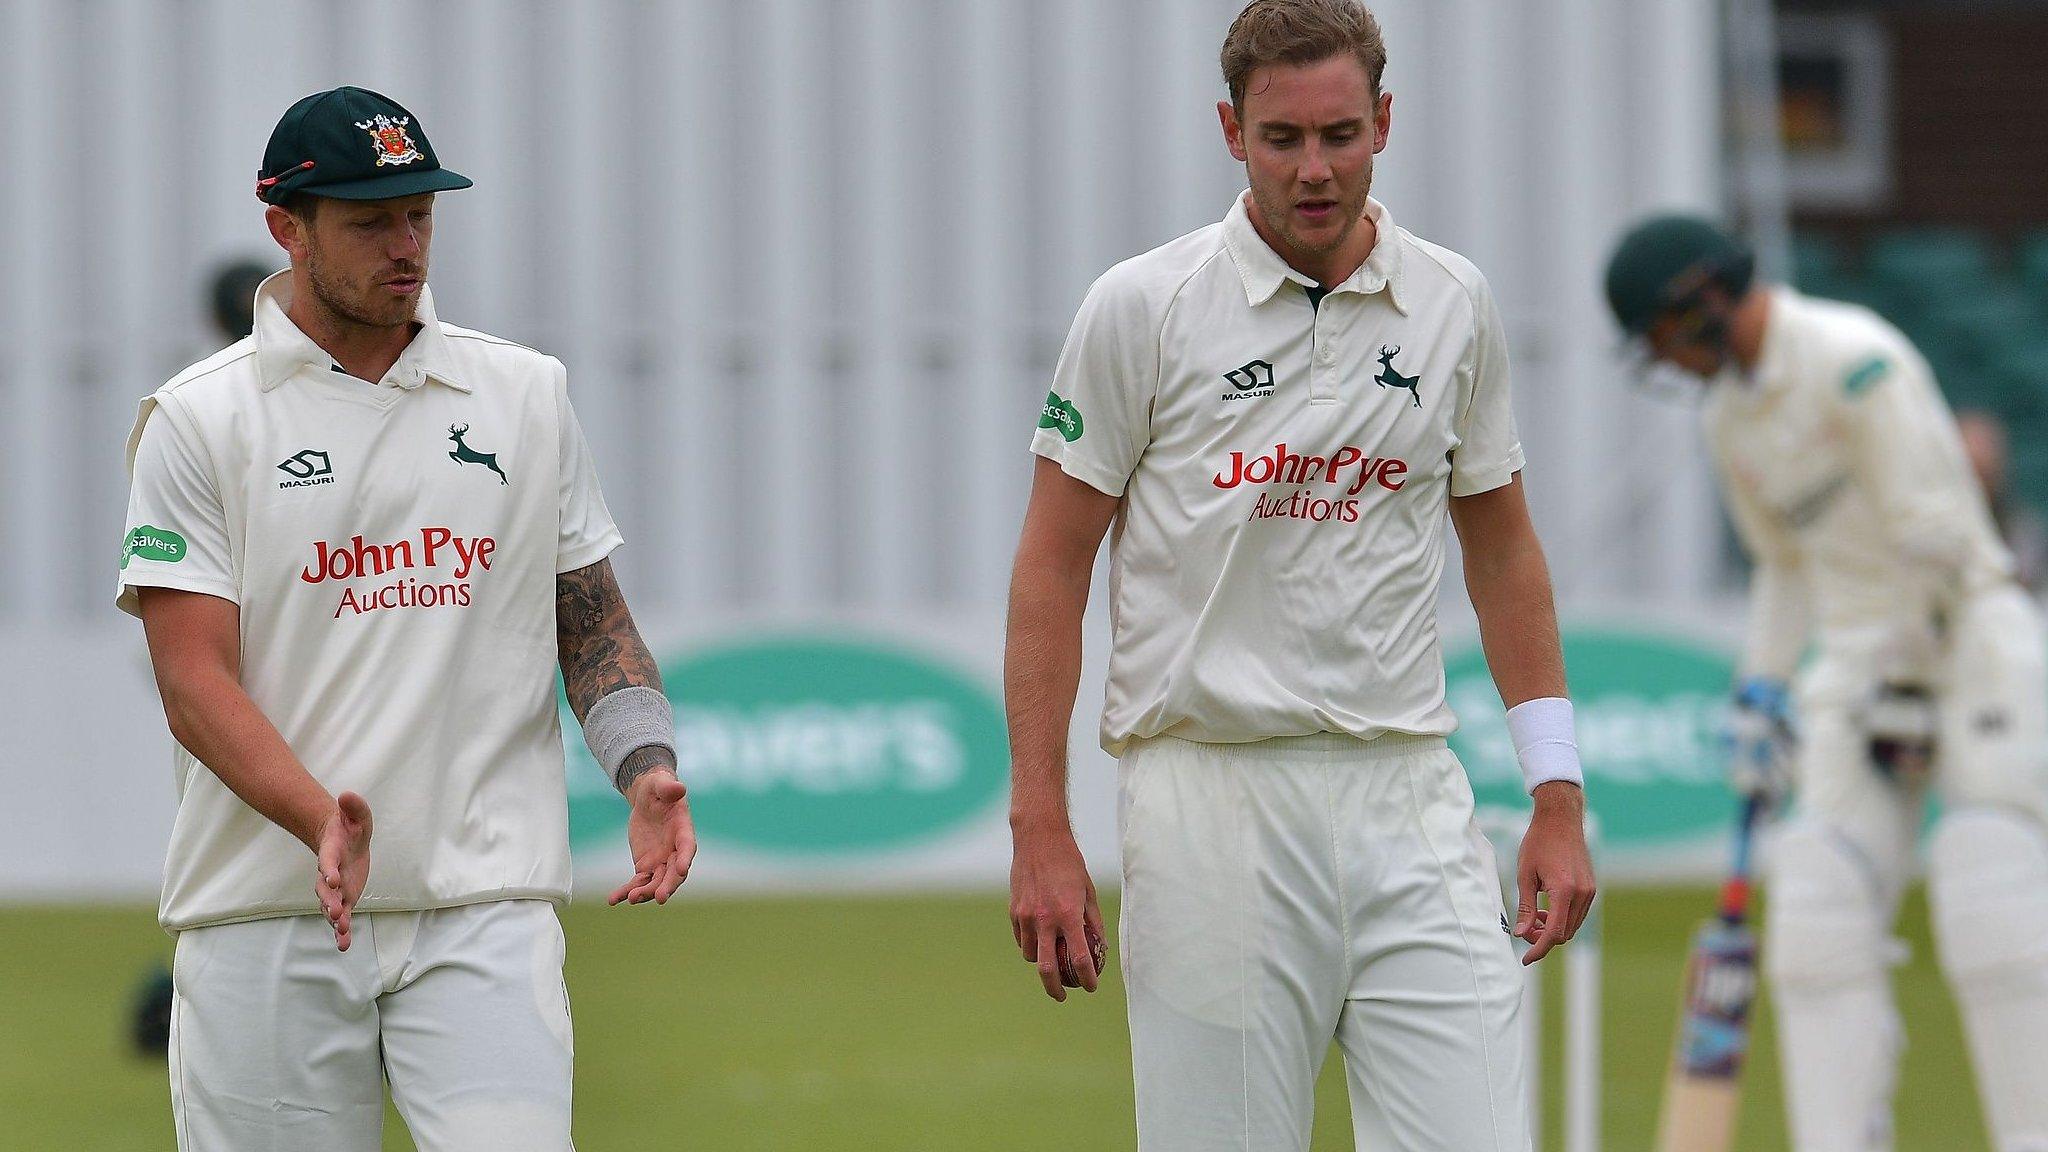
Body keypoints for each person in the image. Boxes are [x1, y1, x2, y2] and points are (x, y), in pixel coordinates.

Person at [1005, 4, 1596, 1149]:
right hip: (1208, 798)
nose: (1313, 169)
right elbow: (1049, 566)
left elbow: (1505, 553)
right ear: (1230, 132)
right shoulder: (1143, 305)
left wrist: (1555, 794)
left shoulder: (1452, 301)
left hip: (1409, 792)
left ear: (1383, 121)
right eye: (1282, 139)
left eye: (1339, 134)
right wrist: (1040, 824)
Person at [116, 86, 695, 1151]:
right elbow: (192, 681)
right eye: (369, 220)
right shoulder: (199, 419)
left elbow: (589, 619)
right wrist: (316, 819)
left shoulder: (524, 392)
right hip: (269, 913)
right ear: (285, 227)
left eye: (420, 214)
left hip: (483, 903)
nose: (406, 244)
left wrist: (642, 765)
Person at [1604, 216, 2048, 1152]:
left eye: (1662, 337)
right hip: (1855, 660)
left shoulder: (1854, 360)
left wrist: (1907, 672)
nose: (1667, 362)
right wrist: (1762, 691)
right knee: (1811, 907)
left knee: (1988, 890)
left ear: (1703, 302)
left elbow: (1931, 531)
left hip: (1967, 634)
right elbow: (1783, 566)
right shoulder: (1732, 415)